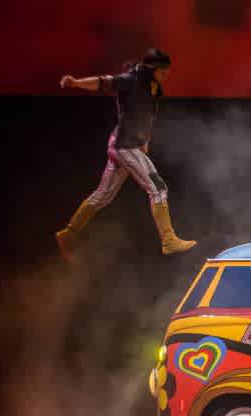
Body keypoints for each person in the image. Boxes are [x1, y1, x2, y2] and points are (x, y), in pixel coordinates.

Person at [55, 49, 195, 260]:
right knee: (158, 188)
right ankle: (168, 240)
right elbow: (102, 82)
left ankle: (69, 233)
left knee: (102, 196)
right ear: (151, 69)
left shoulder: (153, 88)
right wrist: (75, 82)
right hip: (124, 146)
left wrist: (145, 141)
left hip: (126, 145)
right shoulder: (131, 80)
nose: (167, 75)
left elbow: (147, 117)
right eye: (163, 71)